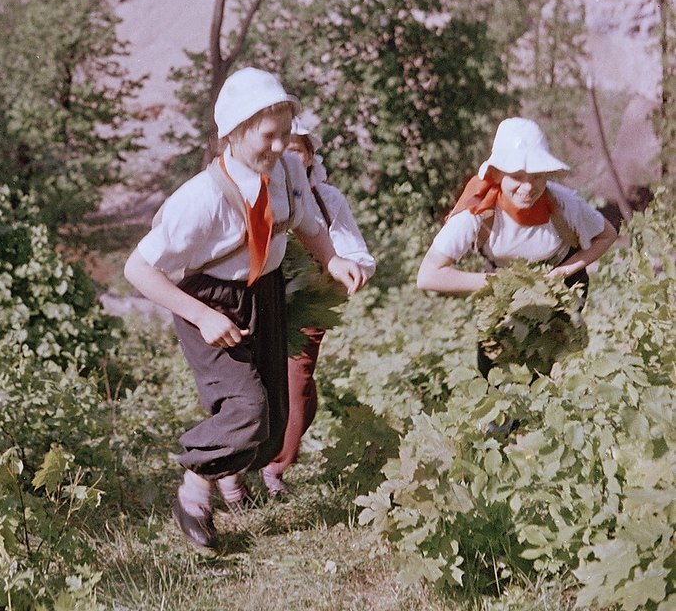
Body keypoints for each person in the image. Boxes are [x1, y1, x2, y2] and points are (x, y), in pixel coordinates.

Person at [123, 67, 370, 550]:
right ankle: (195, 490)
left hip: (266, 290)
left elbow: (304, 224)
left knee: (273, 423)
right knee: (247, 410)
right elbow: (138, 269)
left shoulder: (288, 172)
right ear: (233, 134)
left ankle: (228, 478)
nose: (280, 147)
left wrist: (333, 258)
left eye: (285, 135)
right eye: (268, 136)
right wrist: (203, 316)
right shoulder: (201, 199)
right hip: (210, 301)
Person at [417, 117, 618, 377]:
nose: (528, 187)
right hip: (500, 281)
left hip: (558, 281)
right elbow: (428, 275)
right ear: (497, 174)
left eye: (537, 177)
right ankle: (501, 416)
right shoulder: (477, 210)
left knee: (550, 364)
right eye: (517, 176)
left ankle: (550, 410)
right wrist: (499, 282)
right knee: (494, 366)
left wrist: (562, 273)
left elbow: (607, 235)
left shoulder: (564, 203)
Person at [261, 116, 376, 497]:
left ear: (309, 157)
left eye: (295, 148)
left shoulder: (326, 199)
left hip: (306, 301)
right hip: (258, 298)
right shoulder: (253, 189)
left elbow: (354, 249)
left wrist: (351, 270)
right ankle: (239, 467)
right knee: (256, 384)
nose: (284, 155)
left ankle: (273, 468)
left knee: (300, 390)